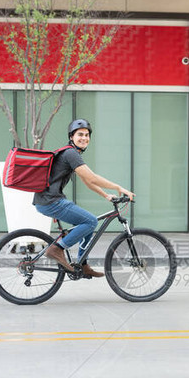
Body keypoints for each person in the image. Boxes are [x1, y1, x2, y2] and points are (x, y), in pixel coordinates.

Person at [34, 119, 135, 278]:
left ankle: (82, 264)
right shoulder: (70, 153)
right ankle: (57, 249)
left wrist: (106, 195)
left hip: (48, 200)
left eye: (87, 135)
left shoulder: (71, 153)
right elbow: (93, 178)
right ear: (71, 137)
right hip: (51, 201)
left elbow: (87, 181)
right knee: (91, 221)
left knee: (87, 224)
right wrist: (118, 187)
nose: (84, 138)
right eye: (80, 134)